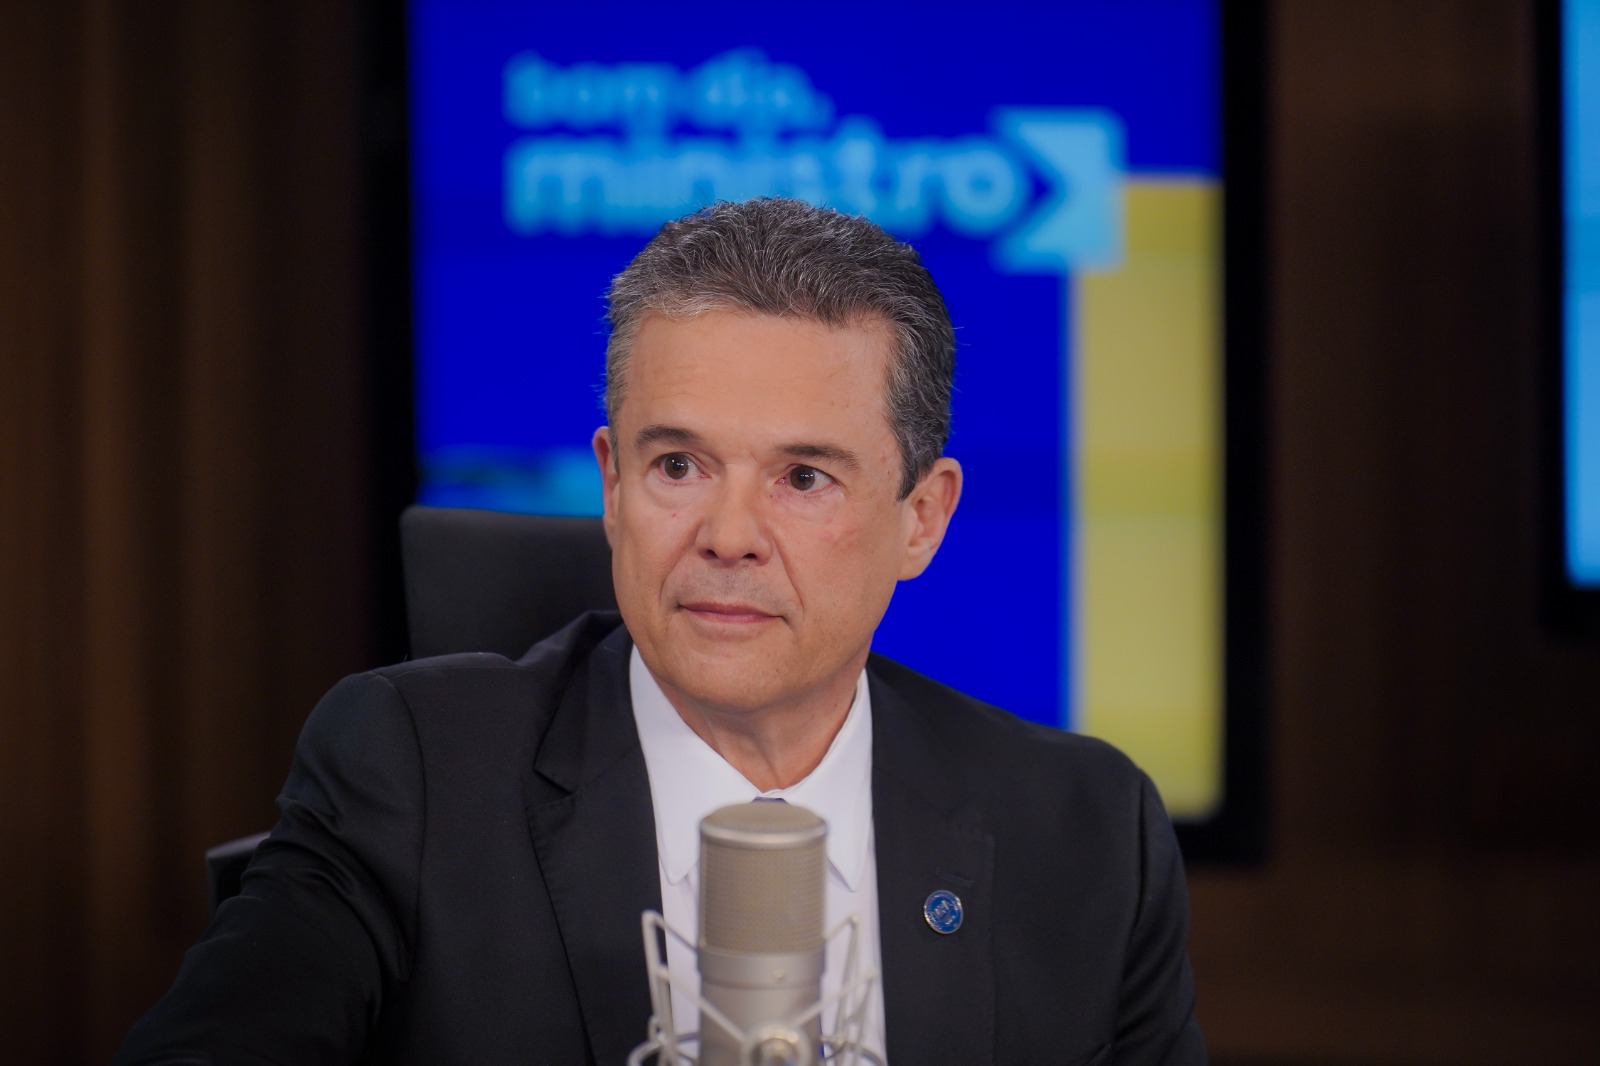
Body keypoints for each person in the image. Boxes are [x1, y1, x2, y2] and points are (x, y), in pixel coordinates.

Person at [117, 198, 1205, 1065]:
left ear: (921, 517)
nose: (727, 535)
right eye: (678, 465)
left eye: (803, 477)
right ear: (611, 484)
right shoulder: (412, 775)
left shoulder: (1085, 832)